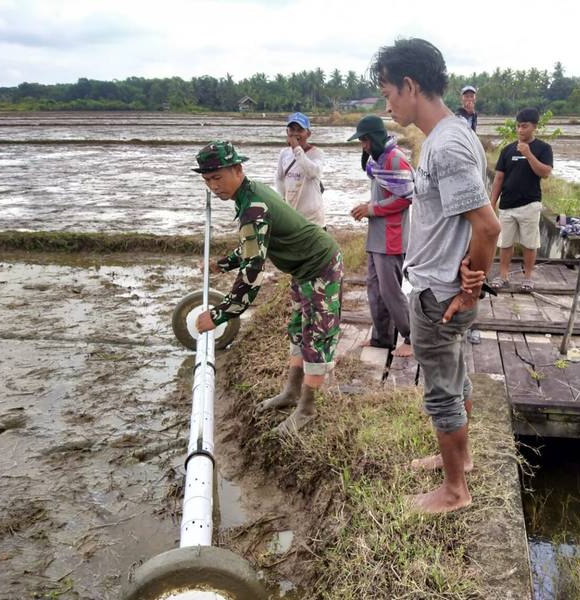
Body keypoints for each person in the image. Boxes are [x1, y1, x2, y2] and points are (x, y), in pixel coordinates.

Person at [370, 38, 500, 514]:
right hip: (439, 286)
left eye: (388, 92)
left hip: (437, 294)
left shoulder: (446, 145)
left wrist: (470, 289)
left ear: (410, 84)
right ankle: (459, 463)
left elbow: (488, 224)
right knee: (456, 374)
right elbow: (466, 218)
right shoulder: (452, 134)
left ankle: (454, 492)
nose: (387, 103)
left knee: (442, 390)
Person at [193, 140, 343, 435]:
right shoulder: (247, 197)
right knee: (299, 328)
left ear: (237, 170)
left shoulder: (253, 206)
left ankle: (307, 408)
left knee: (317, 336)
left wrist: (220, 314)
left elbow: (252, 270)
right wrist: (221, 265)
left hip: (320, 264)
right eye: (207, 180)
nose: (214, 186)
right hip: (301, 270)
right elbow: (252, 247)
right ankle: (290, 392)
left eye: (218, 177)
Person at [348, 115, 413, 358]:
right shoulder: (379, 160)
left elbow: (406, 197)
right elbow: (386, 193)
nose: (363, 146)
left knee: (391, 291)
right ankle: (382, 337)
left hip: (391, 238)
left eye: (365, 140)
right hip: (377, 237)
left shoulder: (396, 160)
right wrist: (367, 206)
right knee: (375, 289)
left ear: (374, 137)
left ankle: (412, 336)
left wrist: (372, 209)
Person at [489, 108, 553, 291]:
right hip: (507, 204)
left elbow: (546, 172)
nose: (520, 130)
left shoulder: (543, 148)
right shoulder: (507, 150)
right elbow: (499, 178)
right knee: (505, 243)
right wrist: (492, 202)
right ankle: (503, 276)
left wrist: (528, 154)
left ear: (534, 127)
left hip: (530, 204)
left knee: (529, 244)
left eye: (524, 126)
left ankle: (528, 277)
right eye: (518, 126)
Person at [275, 112, 326, 227]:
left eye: (300, 130)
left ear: (308, 134)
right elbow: (279, 178)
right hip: (292, 217)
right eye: (292, 130)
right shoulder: (284, 154)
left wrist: (297, 149)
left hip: (313, 221)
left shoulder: (317, 154)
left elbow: (312, 172)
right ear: (287, 132)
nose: (295, 134)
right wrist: (282, 199)